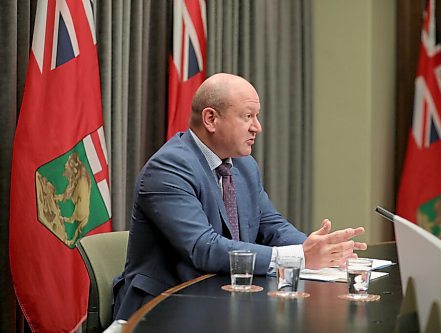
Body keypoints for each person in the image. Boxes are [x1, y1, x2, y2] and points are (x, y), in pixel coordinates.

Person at [112, 73, 367, 320]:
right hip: (163, 306)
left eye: (256, 116)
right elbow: (203, 248)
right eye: (248, 116)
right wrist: (300, 256)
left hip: (222, 300)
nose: (257, 127)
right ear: (211, 119)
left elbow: (272, 227)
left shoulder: (244, 166)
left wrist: (321, 251)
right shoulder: (169, 168)